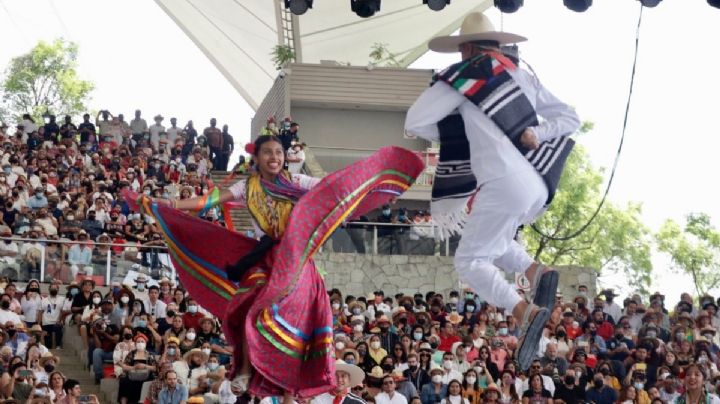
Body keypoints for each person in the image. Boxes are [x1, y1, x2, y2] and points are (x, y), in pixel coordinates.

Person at [130, 135, 423, 402]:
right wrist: (166, 203)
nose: (274, 157)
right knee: (248, 303)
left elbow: (334, 190)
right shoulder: (246, 186)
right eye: (267, 152)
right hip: (266, 258)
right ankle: (244, 367)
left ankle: (287, 395)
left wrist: (370, 186)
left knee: (294, 326)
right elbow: (207, 202)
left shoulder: (298, 181)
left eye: (279, 152)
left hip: (297, 261)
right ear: (255, 158)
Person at [404, 12, 580, 371]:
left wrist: (458, 138)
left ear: (466, 49)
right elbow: (570, 118)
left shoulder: (463, 79)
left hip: (501, 181)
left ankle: (523, 310)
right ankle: (536, 272)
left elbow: (415, 122)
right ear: (498, 45)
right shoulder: (523, 77)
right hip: (534, 184)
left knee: (469, 262)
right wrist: (537, 135)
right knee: (487, 240)